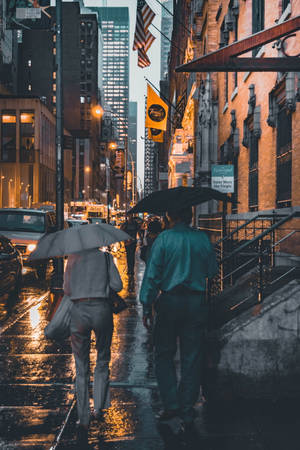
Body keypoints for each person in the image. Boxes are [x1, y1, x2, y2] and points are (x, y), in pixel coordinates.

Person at [139, 206, 218, 429]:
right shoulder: (201, 238)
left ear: (170, 216)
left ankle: (171, 403)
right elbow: (212, 270)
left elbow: (152, 275)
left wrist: (147, 305)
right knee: (192, 356)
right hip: (195, 302)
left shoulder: (163, 239)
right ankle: (186, 408)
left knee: (163, 353)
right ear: (190, 216)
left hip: (170, 302)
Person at [63, 248, 122, 431]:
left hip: (79, 311)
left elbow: (67, 289)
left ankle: (83, 418)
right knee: (103, 358)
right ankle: (99, 407)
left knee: (81, 367)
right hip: (101, 309)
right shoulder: (105, 257)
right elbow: (118, 285)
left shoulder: (72, 258)